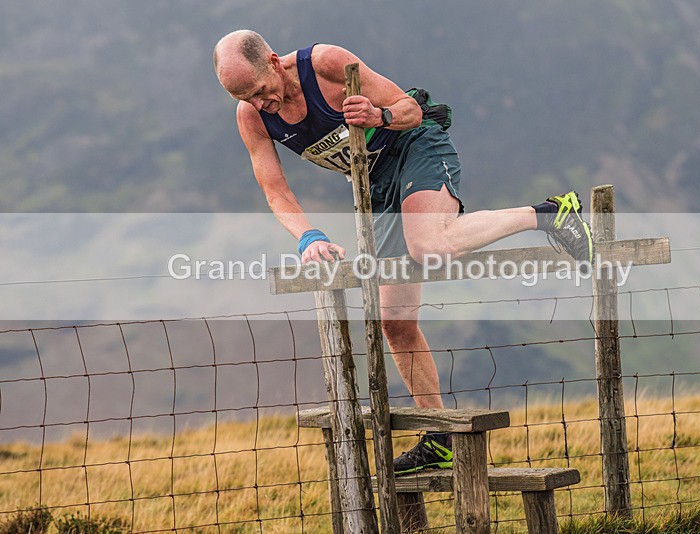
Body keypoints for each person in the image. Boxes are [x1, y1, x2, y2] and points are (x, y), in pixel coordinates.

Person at [213, 30, 594, 475]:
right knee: (394, 323)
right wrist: (308, 237)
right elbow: (275, 191)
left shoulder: (327, 63)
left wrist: (379, 113)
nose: (260, 103)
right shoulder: (252, 118)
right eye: (245, 98)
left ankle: (549, 213)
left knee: (429, 243)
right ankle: (439, 438)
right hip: (374, 184)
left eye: (260, 91)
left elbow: (410, 111)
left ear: (274, 62)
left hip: (416, 148)